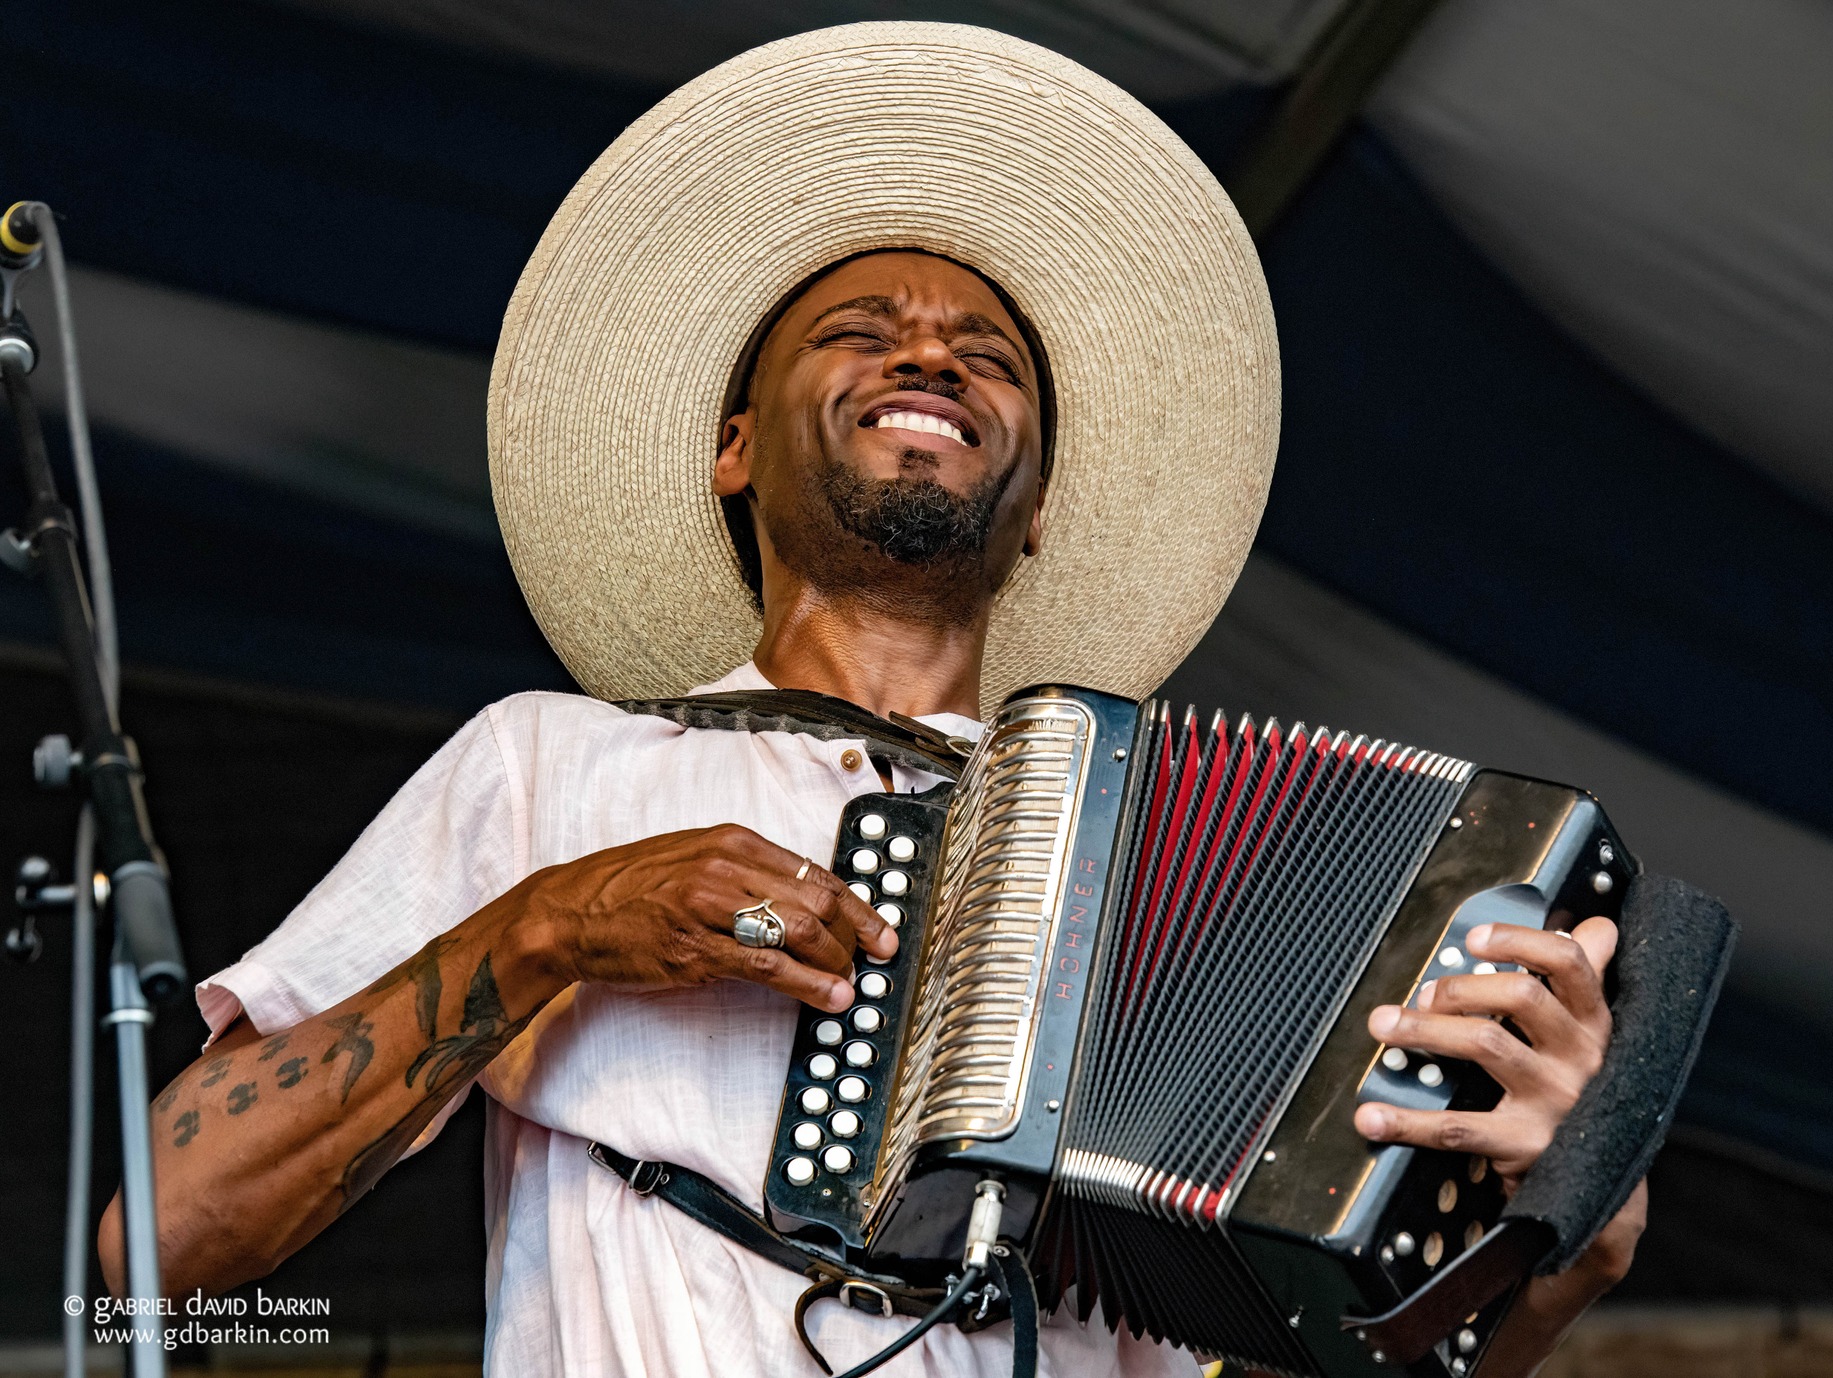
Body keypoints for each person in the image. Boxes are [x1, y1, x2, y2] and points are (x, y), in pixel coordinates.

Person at [100, 23, 1644, 1378]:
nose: (932, 354)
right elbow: (153, 1249)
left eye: (991, 356)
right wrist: (548, 926)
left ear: (1037, 506)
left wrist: (1565, 1236)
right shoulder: (547, 765)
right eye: (858, 331)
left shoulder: (1208, 880)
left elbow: (1338, 1352)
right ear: (731, 447)